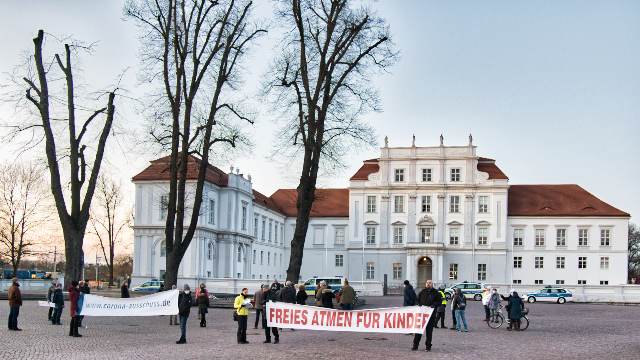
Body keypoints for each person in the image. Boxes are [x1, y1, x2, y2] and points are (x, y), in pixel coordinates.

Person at [412, 280, 442, 352]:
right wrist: (418, 304)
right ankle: (415, 346)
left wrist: (434, 305)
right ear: (425, 284)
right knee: (418, 331)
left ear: (432, 284)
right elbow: (416, 300)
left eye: (430, 283)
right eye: (427, 283)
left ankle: (428, 346)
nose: (428, 284)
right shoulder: (422, 292)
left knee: (429, 332)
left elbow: (439, 302)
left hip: (431, 315)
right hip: (422, 315)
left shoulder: (436, 293)